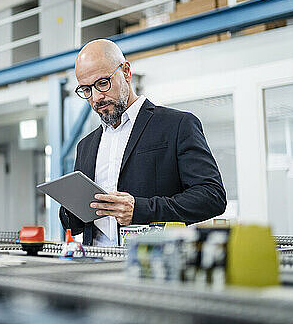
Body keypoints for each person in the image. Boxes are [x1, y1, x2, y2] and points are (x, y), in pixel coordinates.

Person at [59, 39, 226, 246]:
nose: (96, 98)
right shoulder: (86, 145)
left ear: (126, 72)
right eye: (86, 90)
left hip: (152, 263)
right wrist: (69, 208)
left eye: (102, 83)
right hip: (95, 261)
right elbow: (76, 223)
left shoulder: (177, 125)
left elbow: (212, 196)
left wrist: (140, 210)